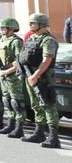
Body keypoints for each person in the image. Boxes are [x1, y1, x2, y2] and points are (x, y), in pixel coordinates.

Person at [22, 13, 62, 148]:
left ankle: (54, 137)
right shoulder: (32, 38)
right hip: (31, 75)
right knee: (35, 105)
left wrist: (36, 75)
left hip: (43, 78)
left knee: (48, 105)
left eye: (33, 23)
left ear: (41, 24)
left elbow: (47, 60)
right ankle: (39, 133)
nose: (30, 25)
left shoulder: (48, 40)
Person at [0, 17, 30, 140]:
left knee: (17, 102)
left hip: (13, 76)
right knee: (7, 100)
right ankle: (10, 124)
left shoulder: (16, 42)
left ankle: (19, 128)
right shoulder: (2, 39)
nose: (2, 30)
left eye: (3, 28)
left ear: (10, 28)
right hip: (3, 75)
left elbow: (18, 62)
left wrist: (6, 71)